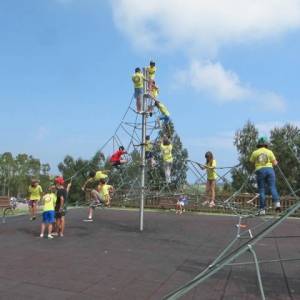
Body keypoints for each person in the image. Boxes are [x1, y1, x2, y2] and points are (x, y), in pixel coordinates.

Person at [250, 136, 281, 215]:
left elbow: (251, 161)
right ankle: (277, 204)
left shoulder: (255, 152)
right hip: (270, 170)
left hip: (260, 171)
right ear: (266, 144)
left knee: (262, 189)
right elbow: (274, 163)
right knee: (272, 187)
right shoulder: (269, 152)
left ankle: (262, 209)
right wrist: (275, 162)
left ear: (259, 144)